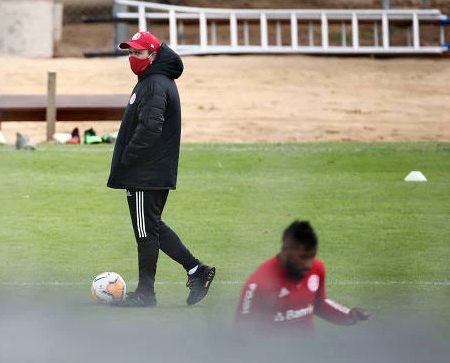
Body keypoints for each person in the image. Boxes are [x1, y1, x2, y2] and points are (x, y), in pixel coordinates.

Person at [107, 31, 216, 307]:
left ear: (153, 54)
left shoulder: (155, 83)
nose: (133, 58)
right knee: (151, 226)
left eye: (139, 53)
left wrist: (129, 157)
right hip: (150, 170)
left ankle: (146, 294)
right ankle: (196, 270)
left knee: (145, 232)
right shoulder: (152, 80)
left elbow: (150, 127)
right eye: (130, 53)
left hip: (146, 172)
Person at [234, 220, 371, 337]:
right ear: (285, 250)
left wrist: (348, 314)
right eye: (303, 257)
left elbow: (318, 303)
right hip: (272, 359)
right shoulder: (259, 283)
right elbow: (242, 328)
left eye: (312, 257)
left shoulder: (316, 269)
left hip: (306, 356)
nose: (308, 264)